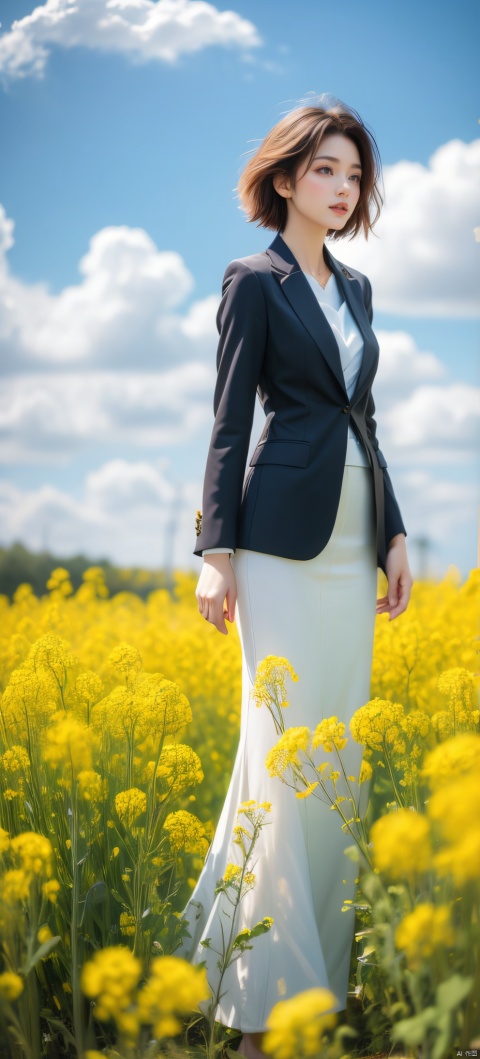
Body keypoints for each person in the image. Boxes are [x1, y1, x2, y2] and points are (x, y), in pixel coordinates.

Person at [177, 94, 414, 1058]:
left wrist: (395, 533)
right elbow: (230, 421)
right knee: (280, 756)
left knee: (338, 764)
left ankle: (316, 984)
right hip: (275, 538)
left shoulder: (356, 289)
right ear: (284, 178)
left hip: (356, 533)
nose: (342, 187)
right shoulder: (252, 280)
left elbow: (368, 421)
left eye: (353, 174)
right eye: (325, 169)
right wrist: (214, 550)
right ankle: (256, 1007)